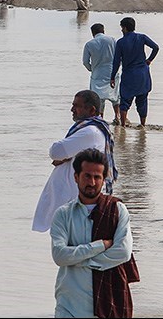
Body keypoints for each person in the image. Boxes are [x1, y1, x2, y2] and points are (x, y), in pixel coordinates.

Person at [50, 148, 139, 318]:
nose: (92, 182)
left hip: (110, 300)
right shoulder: (63, 214)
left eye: (97, 177)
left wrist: (78, 261)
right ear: (76, 177)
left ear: (104, 179)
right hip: (69, 305)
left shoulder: (117, 210)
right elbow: (59, 256)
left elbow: (123, 252)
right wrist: (101, 245)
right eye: (87, 176)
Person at [32, 90, 116, 233]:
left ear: (91, 110)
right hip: (72, 197)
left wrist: (64, 157)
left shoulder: (90, 132)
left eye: (77, 106)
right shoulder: (91, 130)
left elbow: (56, 151)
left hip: (73, 197)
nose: (72, 109)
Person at [110, 16, 159, 128]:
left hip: (129, 75)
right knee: (142, 100)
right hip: (142, 74)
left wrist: (112, 77)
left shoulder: (121, 43)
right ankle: (142, 125)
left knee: (125, 101)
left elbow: (116, 62)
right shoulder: (141, 37)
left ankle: (122, 127)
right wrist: (149, 60)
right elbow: (155, 47)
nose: (121, 30)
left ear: (125, 28)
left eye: (122, 28)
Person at [82, 23, 121, 124]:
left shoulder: (89, 44)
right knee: (115, 96)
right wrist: (118, 67)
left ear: (92, 33)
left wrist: (92, 69)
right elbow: (119, 56)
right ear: (103, 31)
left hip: (97, 74)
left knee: (98, 98)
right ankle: (117, 116)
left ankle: (100, 118)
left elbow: (85, 62)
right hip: (112, 72)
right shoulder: (112, 40)